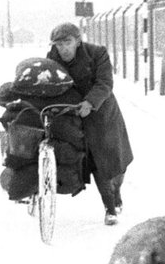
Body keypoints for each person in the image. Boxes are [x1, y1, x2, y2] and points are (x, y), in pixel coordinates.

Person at [46, 22, 133, 225]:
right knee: (95, 160)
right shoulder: (52, 58)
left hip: (102, 113)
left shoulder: (97, 53)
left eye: (67, 42)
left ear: (78, 41)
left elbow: (104, 83)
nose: (63, 48)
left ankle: (117, 190)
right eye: (58, 44)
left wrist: (90, 102)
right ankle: (110, 209)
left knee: (116, 163)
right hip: (73, 113)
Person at [0, 58, 89, 200]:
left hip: (29, 147)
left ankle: (30, 184)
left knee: (19, 151)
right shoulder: (68, 92)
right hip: (64, 165)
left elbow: (7, 108)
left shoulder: (21, 92)